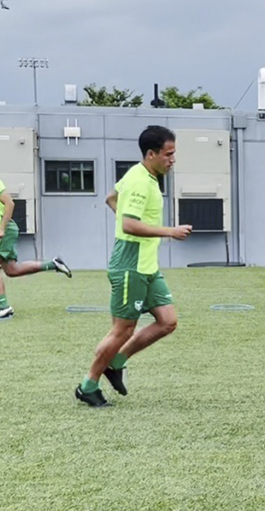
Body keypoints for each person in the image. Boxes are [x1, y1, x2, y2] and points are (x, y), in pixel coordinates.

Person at [75, 126, 192, 407]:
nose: (172, 159)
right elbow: (128, 224)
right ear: (151, 154)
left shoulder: (141, 175)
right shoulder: (140, 181)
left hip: (147, 265)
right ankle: (87, 385)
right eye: (168, 154)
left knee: (167, 321)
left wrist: (125, 220)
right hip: (131, 264)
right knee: (122, 331)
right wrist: (170, 231)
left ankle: (116, 360)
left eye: (174, 153)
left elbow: (110, 198)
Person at [0, 152, 71, 320]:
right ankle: (53, 264)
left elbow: (9, 203)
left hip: (2, 231)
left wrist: (2, 229)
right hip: (0, 229)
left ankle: (4, 307)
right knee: (11, 270)